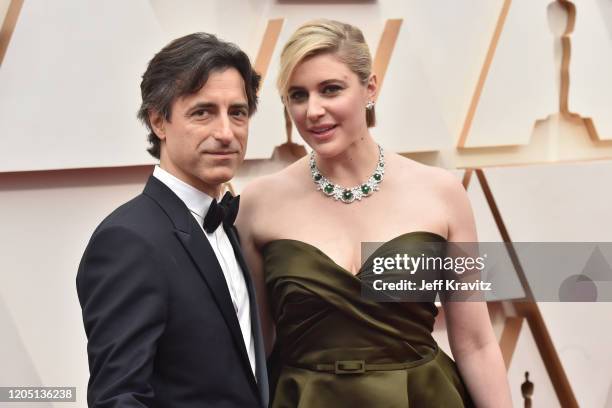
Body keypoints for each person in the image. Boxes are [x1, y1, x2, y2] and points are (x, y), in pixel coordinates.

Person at [236, 19, 512, 407]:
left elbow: (476, 343)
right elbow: (257, 348)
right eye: (298, 95)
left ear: (370, 89)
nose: (313, 110)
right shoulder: (258, 203)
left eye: (330, 89)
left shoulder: (441, 193)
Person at [76, 33, 268, 407]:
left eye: (238, 112)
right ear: (159, 121)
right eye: (203, 112)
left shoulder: (228, 222)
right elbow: (120, 397)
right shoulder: (127, 240)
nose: (226, 133)